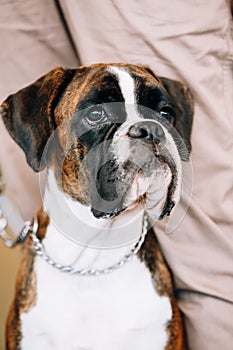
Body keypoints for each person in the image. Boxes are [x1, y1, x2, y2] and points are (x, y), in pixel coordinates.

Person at [0, 1, 232, 349]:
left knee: (206, 242)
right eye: (96, 116)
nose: (146, 132)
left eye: (162, 114)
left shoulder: (154, 309)